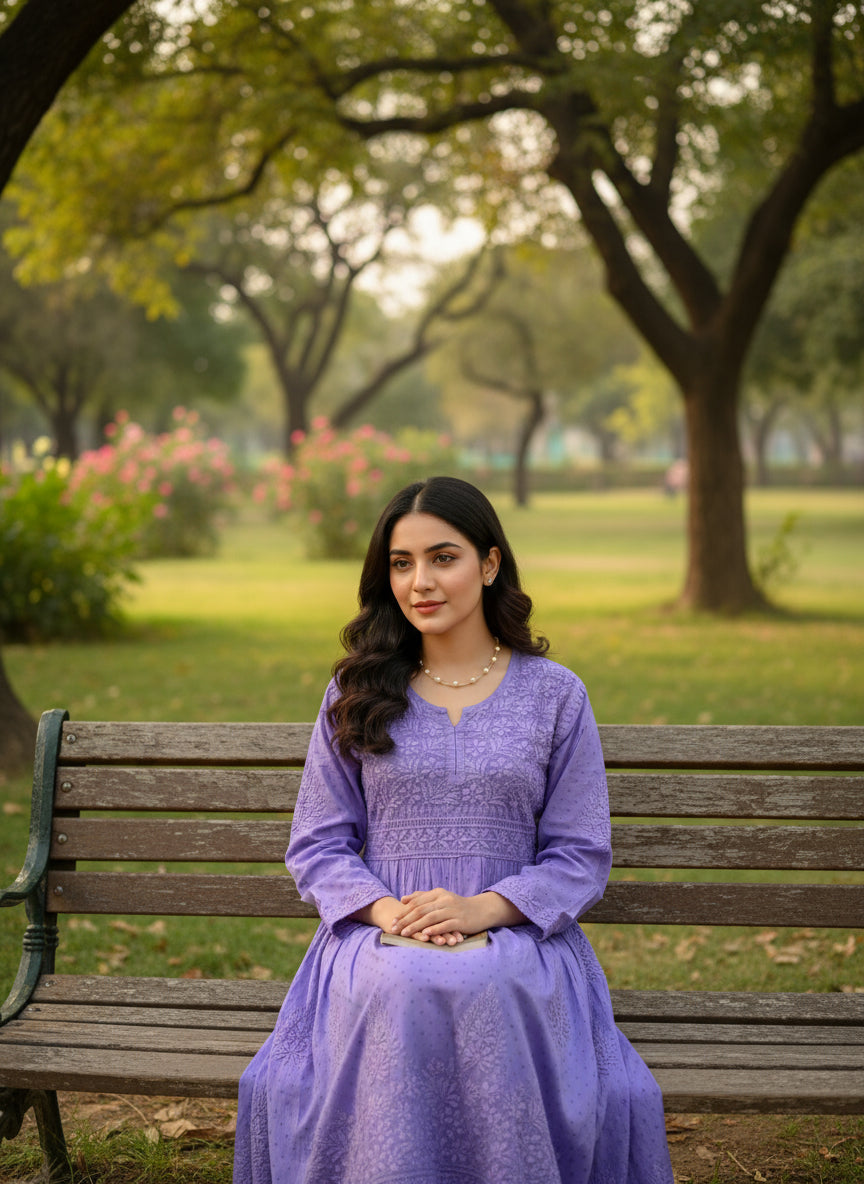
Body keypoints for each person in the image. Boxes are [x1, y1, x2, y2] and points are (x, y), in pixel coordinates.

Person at [234, 476, 674, 1184]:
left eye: (444, 558)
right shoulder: (357, 692)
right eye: (402, 564)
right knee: (402, 979)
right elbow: (317, 842)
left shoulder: (555, 694)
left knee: (488, 977)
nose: (420, 582)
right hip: (375, 937)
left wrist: (482, 910)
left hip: (519, 939)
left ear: (490, 564)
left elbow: (580, 852)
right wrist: (391, 913)